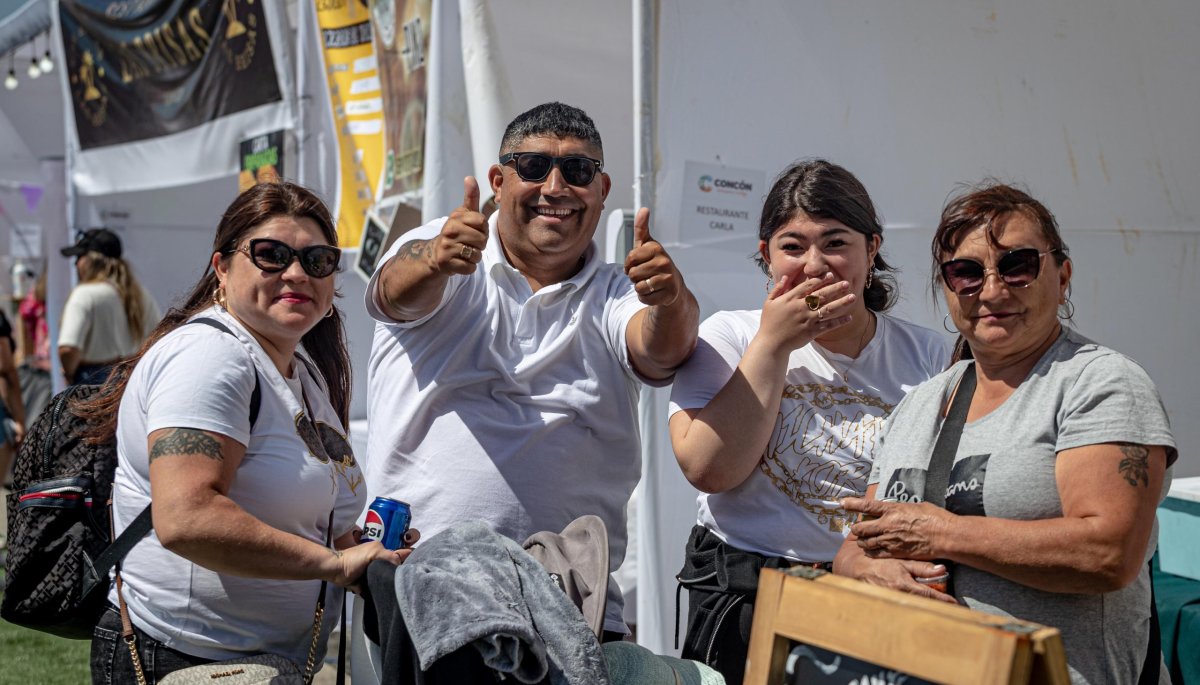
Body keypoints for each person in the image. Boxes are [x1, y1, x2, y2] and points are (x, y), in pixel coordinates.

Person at [364, 101, 699, 639]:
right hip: (421, 581)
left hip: (570, 600)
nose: (557, 187)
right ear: (499, 180)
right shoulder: (447, 247)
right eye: (535, 167)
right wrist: (434, 259)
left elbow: (661, 352)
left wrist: (671, 299)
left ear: (603, 189)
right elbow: (392, 298)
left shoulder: (616, 288)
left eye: (578, 171)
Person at [837, 183, 1176, 684]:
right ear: (947, 288)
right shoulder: (918, 403)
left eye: (1018, 265)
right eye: (967, 273)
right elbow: (858, 542)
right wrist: (864, 570)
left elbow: (1109, 553)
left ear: (1062, 277)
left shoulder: (1100, 383)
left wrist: (941, 533)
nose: (992, 291)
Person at [78, 182, 417, 684]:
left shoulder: (300, 369)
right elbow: (186, 517)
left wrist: (373, 554)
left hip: (257, 664)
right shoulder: (210, 359)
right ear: (221, 267)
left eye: (318, 259)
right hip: (184, 661)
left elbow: (317, 522)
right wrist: (335, 563)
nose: (297, 273)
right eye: (271, 255)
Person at [668, 159, 951, 682]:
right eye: (792, 246)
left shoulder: (933, 356)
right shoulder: (729, 336)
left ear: (873, 248)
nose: (815, 264)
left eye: (836, 243)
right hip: (745, 600)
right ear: (766, 256)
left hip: (875, 600)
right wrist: (774, 344)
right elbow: (709, 469)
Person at [58, 228, 161, 385]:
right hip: (133, 376)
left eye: (79, 256)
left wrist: (69, 375)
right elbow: (159, 336)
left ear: (89, 260)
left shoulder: (85, 294)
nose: (76, 263)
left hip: (93, 379)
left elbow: (68, 349)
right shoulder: (140, 294)